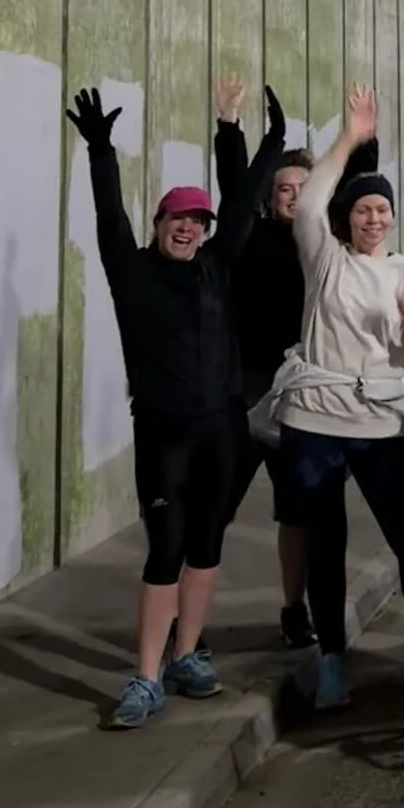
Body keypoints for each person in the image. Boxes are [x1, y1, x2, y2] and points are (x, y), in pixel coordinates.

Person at [67, 78, 286, 730]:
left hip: (223, 428)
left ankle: (188, 655)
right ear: (160, 223)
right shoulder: (131, 272)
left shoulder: (217, 265)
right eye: (178, 220)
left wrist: (268, 140)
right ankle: (145, 675)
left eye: (197, 221)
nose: (189, 228)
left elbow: (244, 202)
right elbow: (109, 218)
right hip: (164, 434)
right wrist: (101, 151)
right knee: (165, 548)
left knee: (207, 545)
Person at [271, 85, 404, 711]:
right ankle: (332, 666)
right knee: (326, 543)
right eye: (364, 210)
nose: (374, 219)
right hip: (315, 422)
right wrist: (348, 138)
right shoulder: (325, 261)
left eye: (382, 210)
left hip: (380, 425)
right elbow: (308, 202)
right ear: (347, 218)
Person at [213, 74, 316, 649]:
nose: (295, 195)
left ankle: (293, 610)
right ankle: (188, 618)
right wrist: (230, 126)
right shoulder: (249, 234)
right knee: (216, 504)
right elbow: (234, 186)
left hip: (300, 389)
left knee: (296, 511)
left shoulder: (323, 244)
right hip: (245, 385)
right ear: (270, 195)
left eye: (304, 186)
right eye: (284, 188)